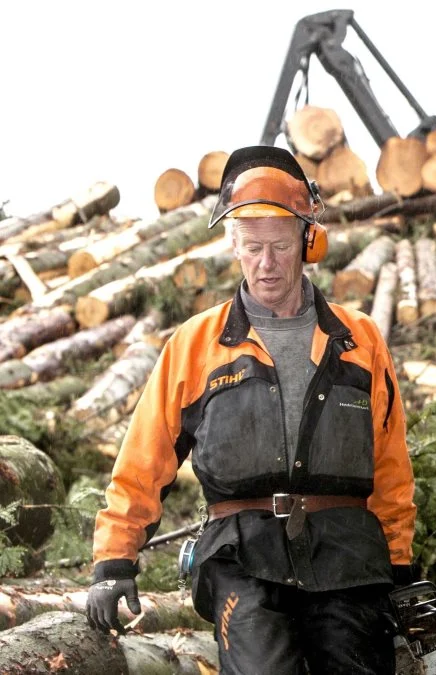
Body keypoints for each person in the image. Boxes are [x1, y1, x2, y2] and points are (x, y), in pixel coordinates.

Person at [86, 145, 416, 674]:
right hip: (241, 555)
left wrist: (400, 567)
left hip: (347, 556)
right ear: (234, 246)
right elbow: (144, 460)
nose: (267, 264)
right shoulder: (197, 344)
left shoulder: (359, 339)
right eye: (254, 247)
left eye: (280, 247)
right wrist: (113, 562)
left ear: (307, 242)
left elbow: (390, 466)